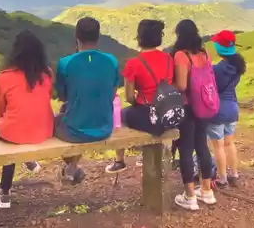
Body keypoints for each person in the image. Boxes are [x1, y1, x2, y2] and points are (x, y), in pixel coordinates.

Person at [54, 17, 121, 183]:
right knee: (77, 115)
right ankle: (71, 169)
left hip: (76, 130)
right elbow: (112, 95)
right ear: (98, 37)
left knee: (55, 121)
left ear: (76, 36)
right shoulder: (111, 61)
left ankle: (71, 168)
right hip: (105, 127)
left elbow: (63, 97)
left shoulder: (65, 63)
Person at [0, 30, 53, 208]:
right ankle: (28, 159)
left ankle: (5, 192)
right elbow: (44, 101)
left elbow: (0, 111)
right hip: (43, 130)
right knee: (18, 126)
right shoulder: (47, 74)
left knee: (8, 129)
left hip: (14, 133)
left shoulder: (3, 78)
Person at [106, 19, 171, 174]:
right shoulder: (169, 59)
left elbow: (129, 97)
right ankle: (153, 156)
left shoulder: (134, 63)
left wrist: (138, 102)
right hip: (169, 114)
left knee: (120, 115)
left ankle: (119, 160)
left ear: (139, 38)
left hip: (149, 115)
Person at [171, 19, 216, 211]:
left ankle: (189, 196)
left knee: (186, 149)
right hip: (205, 105)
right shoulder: (204, 53)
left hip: (188, 106)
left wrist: (167, 88)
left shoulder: (181, 55)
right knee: (202, 146)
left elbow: (181, 85)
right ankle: (207, 191)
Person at [207, 30, 245, 187]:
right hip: (233, 108)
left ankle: (222, 179)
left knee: (218, 146)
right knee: (230, 144)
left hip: (217, 109)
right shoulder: (238, 66)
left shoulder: (216, 69)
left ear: (219, 48)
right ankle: (234, 175)